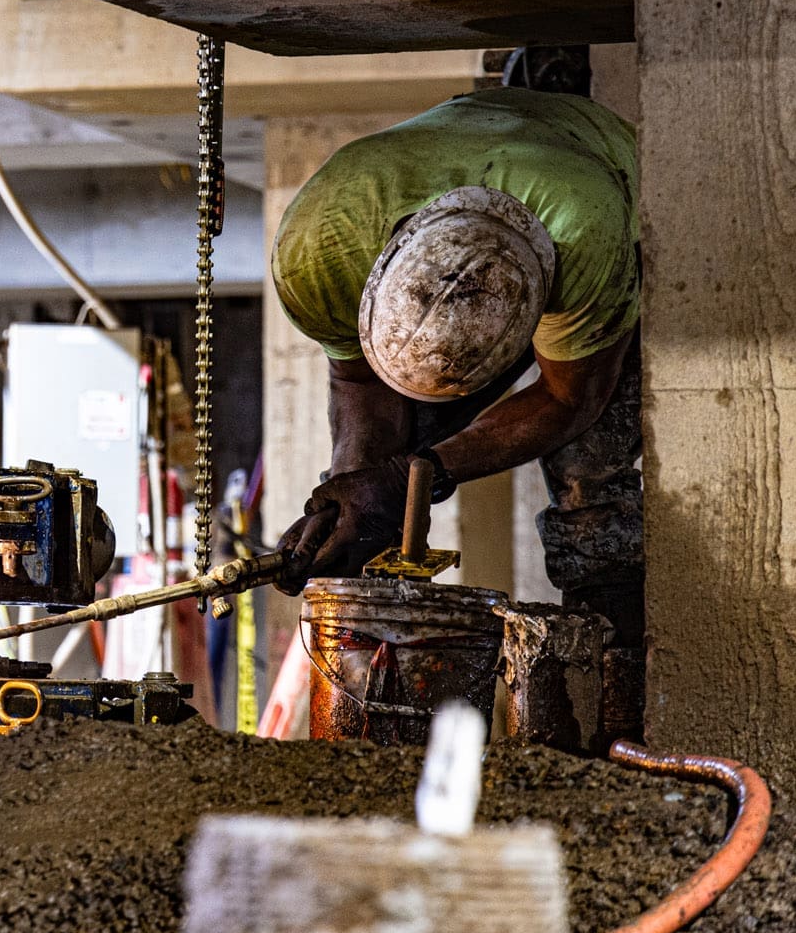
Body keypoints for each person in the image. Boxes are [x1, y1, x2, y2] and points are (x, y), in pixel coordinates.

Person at [271, 86, 643, 650]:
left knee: (589, 474)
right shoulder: (316, 253)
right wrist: (355, 489)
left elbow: (569, 398)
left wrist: (418, 475)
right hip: (481, 167)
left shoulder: (586, 230)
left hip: (589, 166)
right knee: (379, 487)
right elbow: (357, 382)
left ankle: (611, 660)